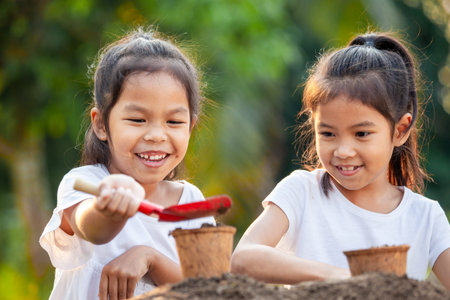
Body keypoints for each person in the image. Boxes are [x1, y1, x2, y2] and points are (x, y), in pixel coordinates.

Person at [231, 32, 450, 289]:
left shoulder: (424, 217)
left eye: (361, 134)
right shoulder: (301, 193)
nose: (343, 151)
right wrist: (348, 279)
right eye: (328, 133)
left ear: (400, 130)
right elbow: (243, 258)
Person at [39, 27, 214, 300]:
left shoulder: (192, 202)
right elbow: (91, 228)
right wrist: (109, 209)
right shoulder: (87, 184)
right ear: (101, 124)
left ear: (190, 127)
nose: (157, 135)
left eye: (174, 122)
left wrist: (150, 258)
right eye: (137, 120)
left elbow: (207, 288)